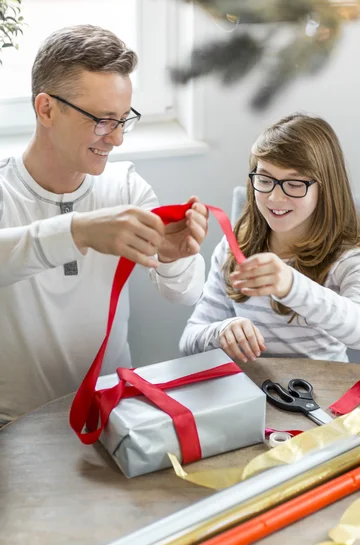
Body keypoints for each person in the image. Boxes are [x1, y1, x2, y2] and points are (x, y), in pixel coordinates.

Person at [0, 25, 208, 425]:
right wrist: (78, 231)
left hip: (112, 418)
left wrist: (174, 257)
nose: (117, 140)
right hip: (12, 428)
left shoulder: (125, 186)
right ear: (46, 109)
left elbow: (185, 294)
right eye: (102, 120)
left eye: (123, 120)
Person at [180, 113, 360, 364]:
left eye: (294, 184)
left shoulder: (351, 259)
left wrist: (291, 285)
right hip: (250, 392)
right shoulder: (233, 249)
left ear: (325, 187)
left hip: (320, 395)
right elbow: (188, 339)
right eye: (264, 180)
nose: (275, 197)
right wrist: (220, 332)